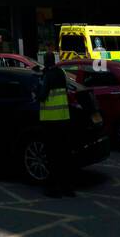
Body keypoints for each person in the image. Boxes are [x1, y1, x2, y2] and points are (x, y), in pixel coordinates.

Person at [38, 51, 75, 198]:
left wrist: (37, 92)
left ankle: (53, 188)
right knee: (64, 155)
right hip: (64, 118)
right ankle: (67, 188)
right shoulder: (61, 73)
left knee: (52, 156)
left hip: (50, 121)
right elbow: (66, 89)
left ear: (46, 62)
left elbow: (42, 95)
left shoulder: (47, 76)